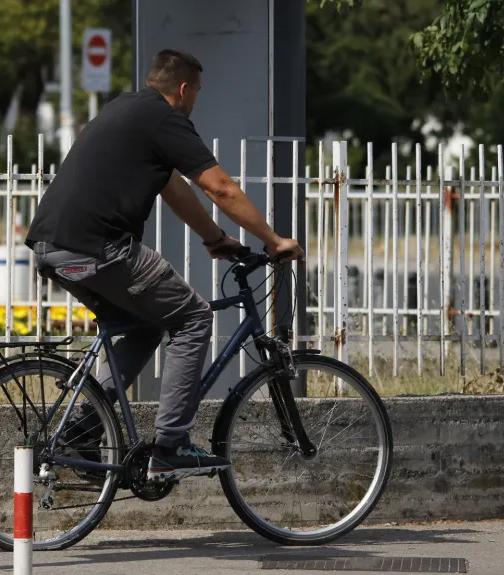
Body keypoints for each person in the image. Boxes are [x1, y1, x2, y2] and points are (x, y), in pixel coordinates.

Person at [24, 48, 304, 481]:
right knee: (193, 318)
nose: (195, 104)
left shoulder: (126, 109)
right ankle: (171, 445)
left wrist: (214, 239)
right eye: (197, 95)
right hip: (99, 247)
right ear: (184, 88)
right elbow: (221, 188)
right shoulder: (165, 118)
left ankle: (84, 429)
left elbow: (173, 187)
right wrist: (273, 240)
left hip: (53, 246)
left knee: (146, 325)